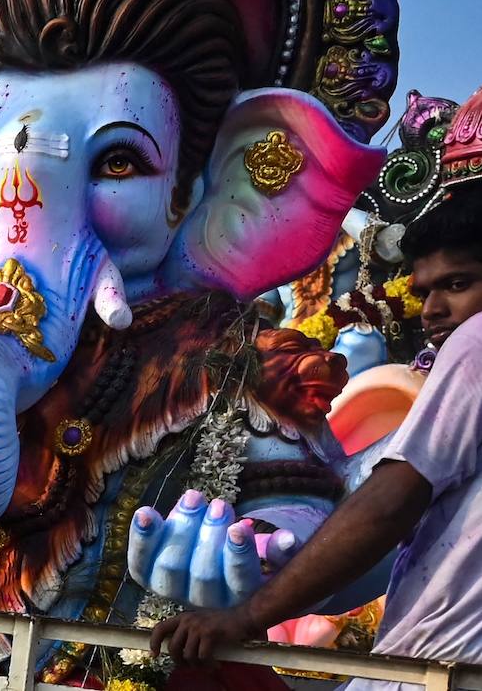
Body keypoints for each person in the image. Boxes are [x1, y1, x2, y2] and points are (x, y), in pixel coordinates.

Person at [149, 184, 482, 684]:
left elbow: (389, 502)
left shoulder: (475, 344)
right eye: (422, 291)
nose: (431, 309)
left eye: (457, 284)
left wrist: (245, 618)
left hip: (437, 665)